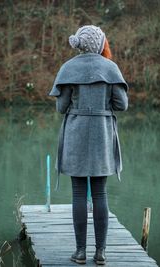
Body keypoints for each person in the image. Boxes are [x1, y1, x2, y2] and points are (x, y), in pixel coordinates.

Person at [48, 25, 129, 265]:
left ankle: (80, 252)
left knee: (78, 194)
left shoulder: (68, 68)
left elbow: (61, 108)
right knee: (101, 194)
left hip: (76, 133)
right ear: (100, 43)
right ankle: (101, 253)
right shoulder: (111, 68)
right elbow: (122, 105)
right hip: (102, 135)